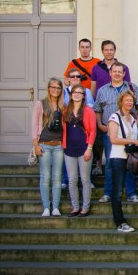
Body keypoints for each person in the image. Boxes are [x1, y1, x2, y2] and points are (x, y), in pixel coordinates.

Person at [94, 62, 138, 204]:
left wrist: (137, 122)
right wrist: (100, 125)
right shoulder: (103, 90)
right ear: (110, 73)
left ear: (123, 73)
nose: (117, 74)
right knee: (110, 163)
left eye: (119, 72)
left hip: (129, 132)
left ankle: (131, 193)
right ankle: (108, 193)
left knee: (130, 163)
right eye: (114, 71)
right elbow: (98, 109)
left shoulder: (132, 88)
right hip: (110, 133)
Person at [107, 90, 138, 233]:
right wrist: (133, 141)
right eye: (126, 100)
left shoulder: (132, 119)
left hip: (129, 159)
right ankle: (119, 221)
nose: (129, 102)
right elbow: (113, 139)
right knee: (117, 191)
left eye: (131, 100)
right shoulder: (114, 117)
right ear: (121, 101)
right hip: (118, 158)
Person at [32, 78, 65, 217]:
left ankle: (55, 207)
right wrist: (36, 146)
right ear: (48, 88)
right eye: (53, 87)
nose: (56, 90)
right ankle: (46, 207)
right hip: (44, 144)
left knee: (57, 177)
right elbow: (34, 126)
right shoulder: (41, 104)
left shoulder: (63, 105)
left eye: (58, 88)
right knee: (45, 176)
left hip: (58, 145)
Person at [62, 84, 96, 217]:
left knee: (85, 179)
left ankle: (85, 208)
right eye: (74, 92)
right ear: (70, 95)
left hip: (84, 148)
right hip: (69, 148)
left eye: (80, 92)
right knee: (72, 179)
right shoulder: (66, 111)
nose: (76, 94)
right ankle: (75, 207)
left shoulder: (88, 111)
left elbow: (93, 131)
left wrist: (89, 148)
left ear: (83, 96)